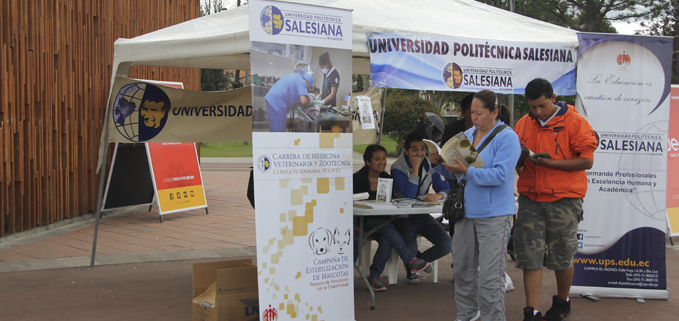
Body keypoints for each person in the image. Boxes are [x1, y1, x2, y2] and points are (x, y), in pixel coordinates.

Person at [431, 89, 520, 321]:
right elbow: (461, 176)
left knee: (491, 277)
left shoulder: (507, 137)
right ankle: (467, 315)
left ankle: (493, 318)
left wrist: (467, 171)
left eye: (479, 113)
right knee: (462, 269)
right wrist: (441, 163)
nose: (474, 118)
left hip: (494, 214)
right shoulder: (468, 134)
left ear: (494, 113)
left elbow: (500, 175)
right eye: (471, 112)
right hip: (465, 212)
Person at [513, 78, 597, 321]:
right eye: (532, 107)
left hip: (564, 199)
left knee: (561, 255)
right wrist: (519, 158)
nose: (538, 112)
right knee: (530, 255)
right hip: (530, 198)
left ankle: (562, 301)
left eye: (542, 106)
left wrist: (551, 164)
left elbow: (587, 161)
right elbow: (516, 158)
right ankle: (532, 311)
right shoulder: (523, 123)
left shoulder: (575, 121)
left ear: (553, 98)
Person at [353, 144, 432, 291]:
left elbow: (392, 203)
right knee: (386, 228)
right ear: (367, 162)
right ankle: (410, 260)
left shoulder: (388, 179)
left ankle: (374, 277)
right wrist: (353, 223)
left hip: (383, 223)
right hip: (363, 223)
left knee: (387, 240)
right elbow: (346, 205)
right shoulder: (356, 179)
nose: (382, 162)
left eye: (384, 158)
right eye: (377, 159)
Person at [391, 132, 452, 283]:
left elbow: (445, 188)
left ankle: (417, 263)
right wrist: (416, 168)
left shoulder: (430, 163)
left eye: (422, 149)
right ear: (406, 151)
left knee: (446, 244)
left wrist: (439, 195)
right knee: (410, 247)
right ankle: (414, 265)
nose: (419, 153)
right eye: (414, 149)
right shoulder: (397, 167)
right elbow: (409, 194)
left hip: (423, 213)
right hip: (403, 216)